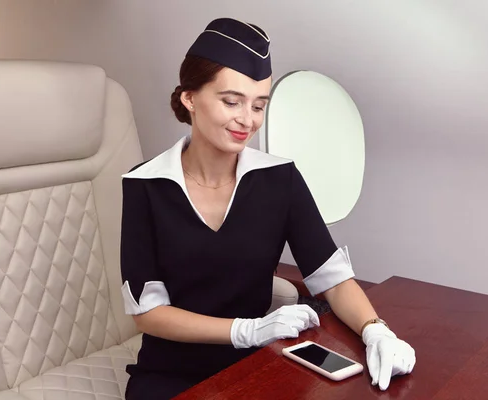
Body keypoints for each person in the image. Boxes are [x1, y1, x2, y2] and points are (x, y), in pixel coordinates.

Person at [120, 17, 415, 400]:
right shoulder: (145, 184)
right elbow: (148, 314)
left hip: (257, 365)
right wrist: (246, 329)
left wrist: (376, 330)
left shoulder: (280, 179)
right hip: (172, 375)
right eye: (232, 101)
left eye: (259, 106)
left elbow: (332, 279)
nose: (248, 120)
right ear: (189, 98)